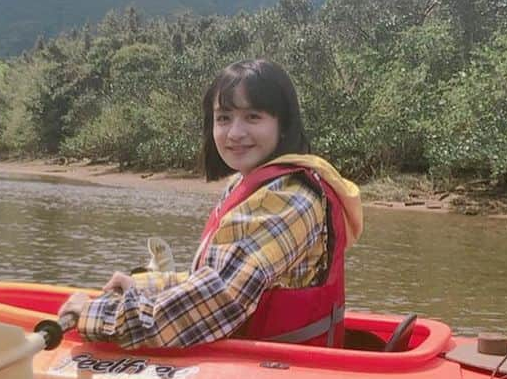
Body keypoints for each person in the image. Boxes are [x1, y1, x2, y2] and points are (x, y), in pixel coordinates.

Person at [58, 59, 362, 349]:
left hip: (272, 372)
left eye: (253, 117)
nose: (235, 133)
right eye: (223, 118)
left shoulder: (286, 199)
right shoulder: (249, 184)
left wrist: (96, 317)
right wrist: (144, 286)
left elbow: (217, 299)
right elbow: (216, 275)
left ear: (283, 125)